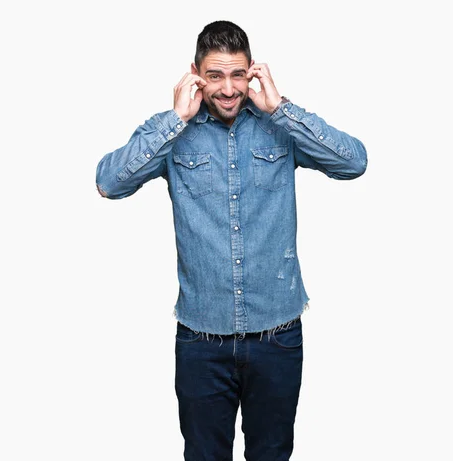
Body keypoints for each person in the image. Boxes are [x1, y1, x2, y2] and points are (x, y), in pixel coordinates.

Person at [96, 20, 367, 461]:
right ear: (195, 73)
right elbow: (108, 182)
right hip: (202, 339)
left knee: (273, 455)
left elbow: (354, 162)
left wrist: (280, 109)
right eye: (215, 75)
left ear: (252, 73)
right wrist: (174, 120)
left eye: (237, 75)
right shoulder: (171, 132)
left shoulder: (278, 126)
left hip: (277, 336)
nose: (227, 89)